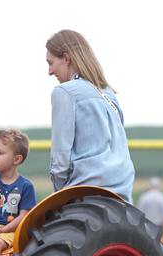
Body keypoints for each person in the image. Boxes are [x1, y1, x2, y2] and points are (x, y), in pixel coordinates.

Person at [46, 30, 135, 202]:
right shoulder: (110, 95)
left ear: (66, 58)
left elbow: (60, 157)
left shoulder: (64, 92)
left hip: (84, 192)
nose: (50, 71)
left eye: (51, 63)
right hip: (122, 195)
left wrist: (58, 194)